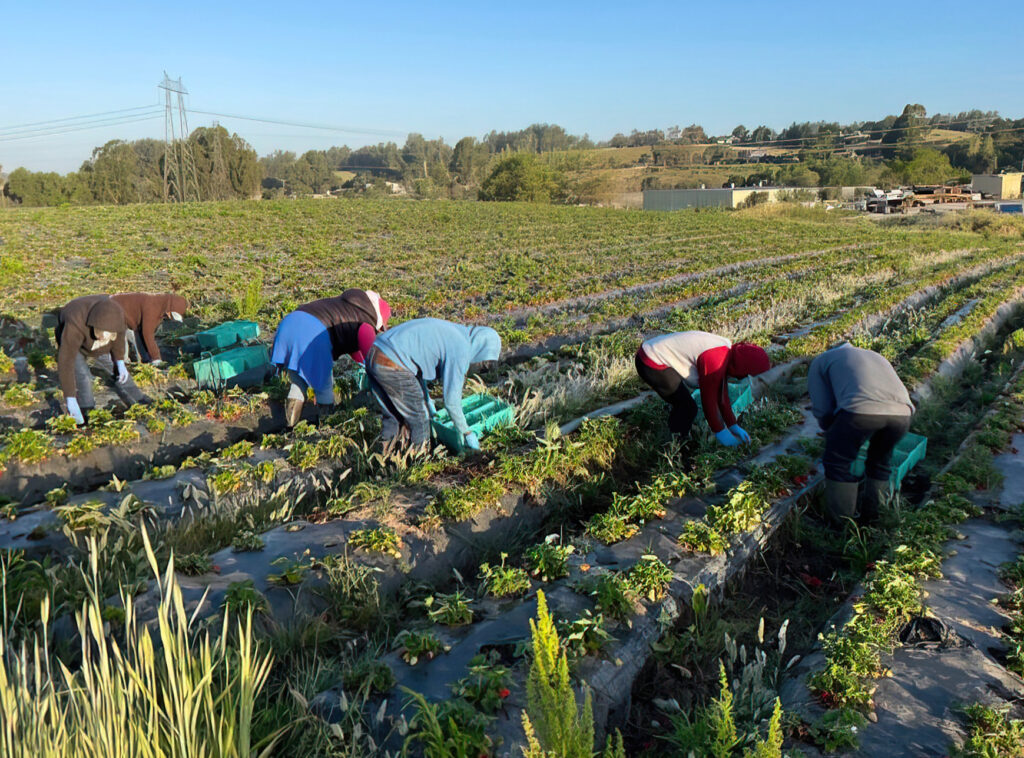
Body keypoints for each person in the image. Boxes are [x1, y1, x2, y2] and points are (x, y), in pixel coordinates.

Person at [808, 342, 914, 524]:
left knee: (838, 462)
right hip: (902, 414)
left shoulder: (821, 361)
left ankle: (840, 525)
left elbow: (823, 409)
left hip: (860, 411)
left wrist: (831, 432)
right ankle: (875, 518)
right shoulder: (875, 355)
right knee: (880, 461)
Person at [365, 318, 501, 451]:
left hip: (375, 351)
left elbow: (416, 367)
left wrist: (428, 401)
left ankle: (383, 462)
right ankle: (419, 465)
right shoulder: (461, 349)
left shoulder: (456, 333)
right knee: (419, 419)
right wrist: (467, 433)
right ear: (482, 349)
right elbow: (452, 403)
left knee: (393, 418)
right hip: (392, 362)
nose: (479, 364)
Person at [271, 289, 391, 427]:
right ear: (379, 318)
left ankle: (290, 426)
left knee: (299, 381)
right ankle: (326, 424)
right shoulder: (366, 323)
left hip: (289, 323)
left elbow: (356, 352)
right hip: (313, 331)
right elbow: (372, 358)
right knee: (324, 383)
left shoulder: (347, 307)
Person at [635, 330, 771, 446]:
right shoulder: (716, 359)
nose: (742, 378)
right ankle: (675, 448)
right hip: (652, 360)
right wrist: (721, 432)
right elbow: (709, 399)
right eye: (746, 375)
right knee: (686, 408)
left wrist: (732, 425)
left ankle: (678, 437)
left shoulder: (725, 354)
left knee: (683, 404)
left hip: (653, 353)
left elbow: (721, 395)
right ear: (743, 367)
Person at [55, 295, 148, 425]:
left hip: (95, 338)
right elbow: (66, 361)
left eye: (108, 334)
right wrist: (70, 399)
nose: (104, 336)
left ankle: (140, 400)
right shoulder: (74, 324)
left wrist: (120, 362)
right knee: (83, 377)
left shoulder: (117, 317)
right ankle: (86, 411)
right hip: (74, 339)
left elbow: (119, 341)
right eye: (102, 332)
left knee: (117, 370)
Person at [110, 292, 188, 365]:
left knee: (134, 336)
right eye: (172, 317)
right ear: (170, 311)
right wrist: (156, 358)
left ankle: (144, 359)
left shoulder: (161, 305)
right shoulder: (153, 307)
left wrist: (146, 358)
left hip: (122, 313)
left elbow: (140, 331)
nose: (170, 318)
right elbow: (147, 334)